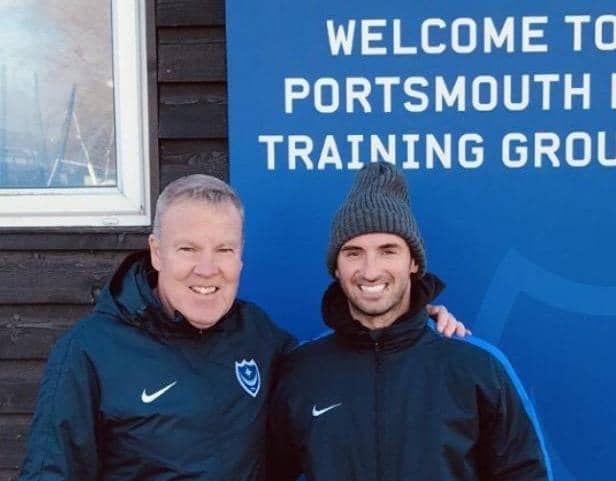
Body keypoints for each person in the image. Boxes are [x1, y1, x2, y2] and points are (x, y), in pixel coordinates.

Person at [18, 174, 466, 481]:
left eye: (224, 249)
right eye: (188, 248)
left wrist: (408, 322)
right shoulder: (90, 351)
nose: (207, 269)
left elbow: (342, 363)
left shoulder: (259, 336)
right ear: (156, 253)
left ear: (241, 256)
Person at [268, 162, 552, 481]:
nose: (370, 270)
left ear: (414, 261)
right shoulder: (302, 371)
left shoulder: (477, 367)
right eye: (353, 253)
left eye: (388, 251)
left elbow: (525, 473)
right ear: (336, 267)